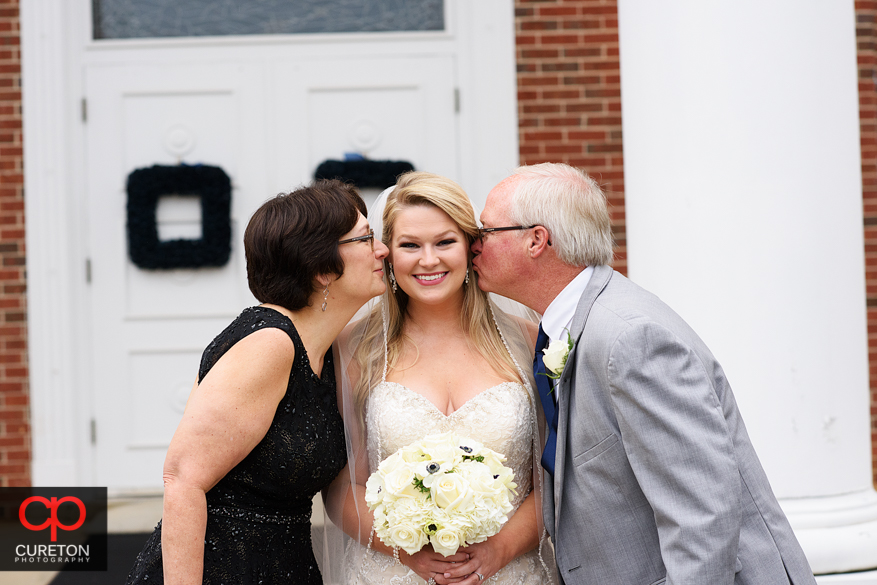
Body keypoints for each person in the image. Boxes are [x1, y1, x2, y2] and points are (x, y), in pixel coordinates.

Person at [471, 162, 817, 585]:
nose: (475, 244)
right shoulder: (574, 324)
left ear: (536, 240)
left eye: (486, 231)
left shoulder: (630, 339)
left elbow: (703, 513)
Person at [125, 180, 389, 585]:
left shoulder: (328, 349)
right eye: (366, 238)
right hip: (218, 570)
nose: (383, 249)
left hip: (285, 567)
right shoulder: (271, 344)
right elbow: (182, 480)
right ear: (321, 269)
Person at [323, 172, 557, 585]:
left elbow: (556, 476)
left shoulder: (530, 341)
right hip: (394, 571)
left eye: (444, 242)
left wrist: (497, 551)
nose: (428, 260)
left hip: (510, 570)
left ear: (470, 247)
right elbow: (342, 488)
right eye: (410, 245)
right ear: (387, 254)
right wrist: (405, 551)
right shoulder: (353, 348)